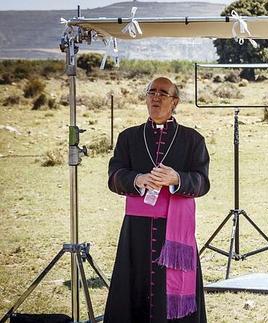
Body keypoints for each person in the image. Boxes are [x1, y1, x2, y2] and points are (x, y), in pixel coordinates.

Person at [104, 77, 210, 323]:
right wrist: (138, 179)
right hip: (136, 232)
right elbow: (114, 178)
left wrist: (176, 178)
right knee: (134, 289)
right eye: (151, 92)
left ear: (175, 101)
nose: (156, 97)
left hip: (174, 231)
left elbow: (202, 182)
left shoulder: (193, 140)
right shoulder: (128, 137)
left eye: (163, 93)